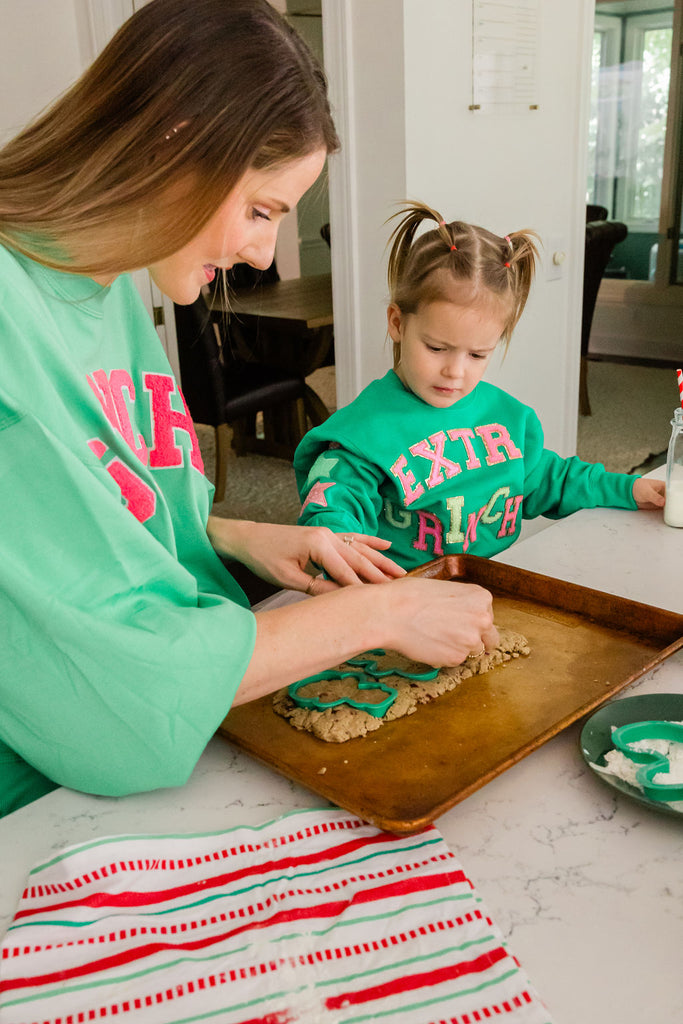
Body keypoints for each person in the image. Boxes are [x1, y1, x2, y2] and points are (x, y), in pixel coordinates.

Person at [0, 2, 498, 817]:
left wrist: (228, 535)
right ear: (177, 144)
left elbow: (82, 526)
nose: (264, 252)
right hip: (44, 803)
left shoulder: (110, 277)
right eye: (262, 209)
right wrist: (382, 610)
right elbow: (119, 700)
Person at [295, 202, 666, 570]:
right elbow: (333, 504)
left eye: (477, 355)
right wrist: (338, 541)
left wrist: (629, 489)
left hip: (490, 585)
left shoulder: (507, 419)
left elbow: (551, 480)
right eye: (437, 348)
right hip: (400, 599)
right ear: (397, 323)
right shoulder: (365, 432)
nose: (455, 371)